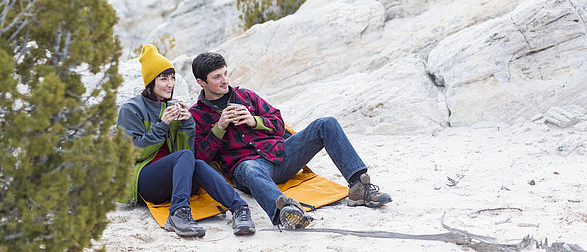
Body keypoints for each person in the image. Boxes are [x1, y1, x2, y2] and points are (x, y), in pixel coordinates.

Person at [189, 52, 392, 230]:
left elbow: (278, 124)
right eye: (217, 77)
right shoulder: (196, 115)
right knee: (251, 168)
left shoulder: (246, 95)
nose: (225, 80)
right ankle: (285, 212)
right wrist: (220, 127)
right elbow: (201, 156)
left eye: (225, 73)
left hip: (280, 154)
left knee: (326, 123)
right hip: (246, 168)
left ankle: (359, 188)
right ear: (201, 82)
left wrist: (254, 121)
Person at [117, 45, 255, 237]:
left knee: (196, 161)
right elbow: (131, 154)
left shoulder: (173, 106)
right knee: (185, 157)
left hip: (175, 179)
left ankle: (240, 209)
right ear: (150, 81)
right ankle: (179, 213)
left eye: (172, 78)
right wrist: (162, 125)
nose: (170, 84)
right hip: (145, 181)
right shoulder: (131, 109)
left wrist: (187, 124)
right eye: (163, 79)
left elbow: (188, 154)